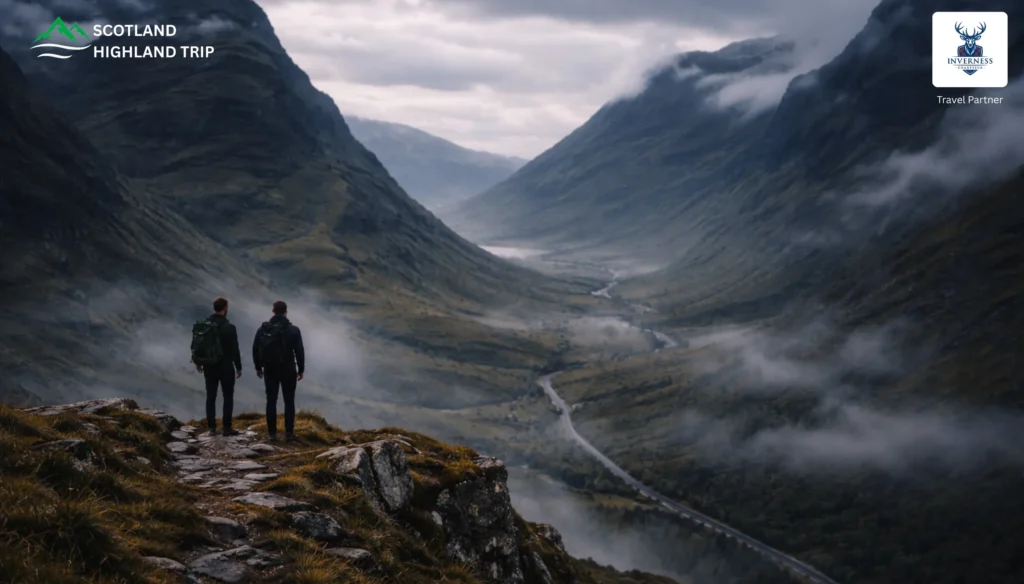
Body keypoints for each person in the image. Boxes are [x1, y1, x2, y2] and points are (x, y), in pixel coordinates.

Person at [253, 300, 305, 440]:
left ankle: (272, 434)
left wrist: (258, 367)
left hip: (270, 369)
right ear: (286, 312)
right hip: (288, 369)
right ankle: (289, 433)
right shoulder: (293, 330)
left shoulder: (264, 329)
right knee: (289, 401)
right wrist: (301, 369)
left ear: (273, 311)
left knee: (271, 400)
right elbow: (299, 351)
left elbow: (255, 348)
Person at [191, 297, 243, 436]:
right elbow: (234, 349)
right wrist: (238, 366)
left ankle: (212, 428)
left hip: (209, 366)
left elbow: (197, 345)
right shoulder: (230, 328)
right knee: (228, 396)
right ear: (225, 309)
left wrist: (198, 362)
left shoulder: (204, 326)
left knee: (211, 396)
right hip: (226, 366)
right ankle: (227, 427)